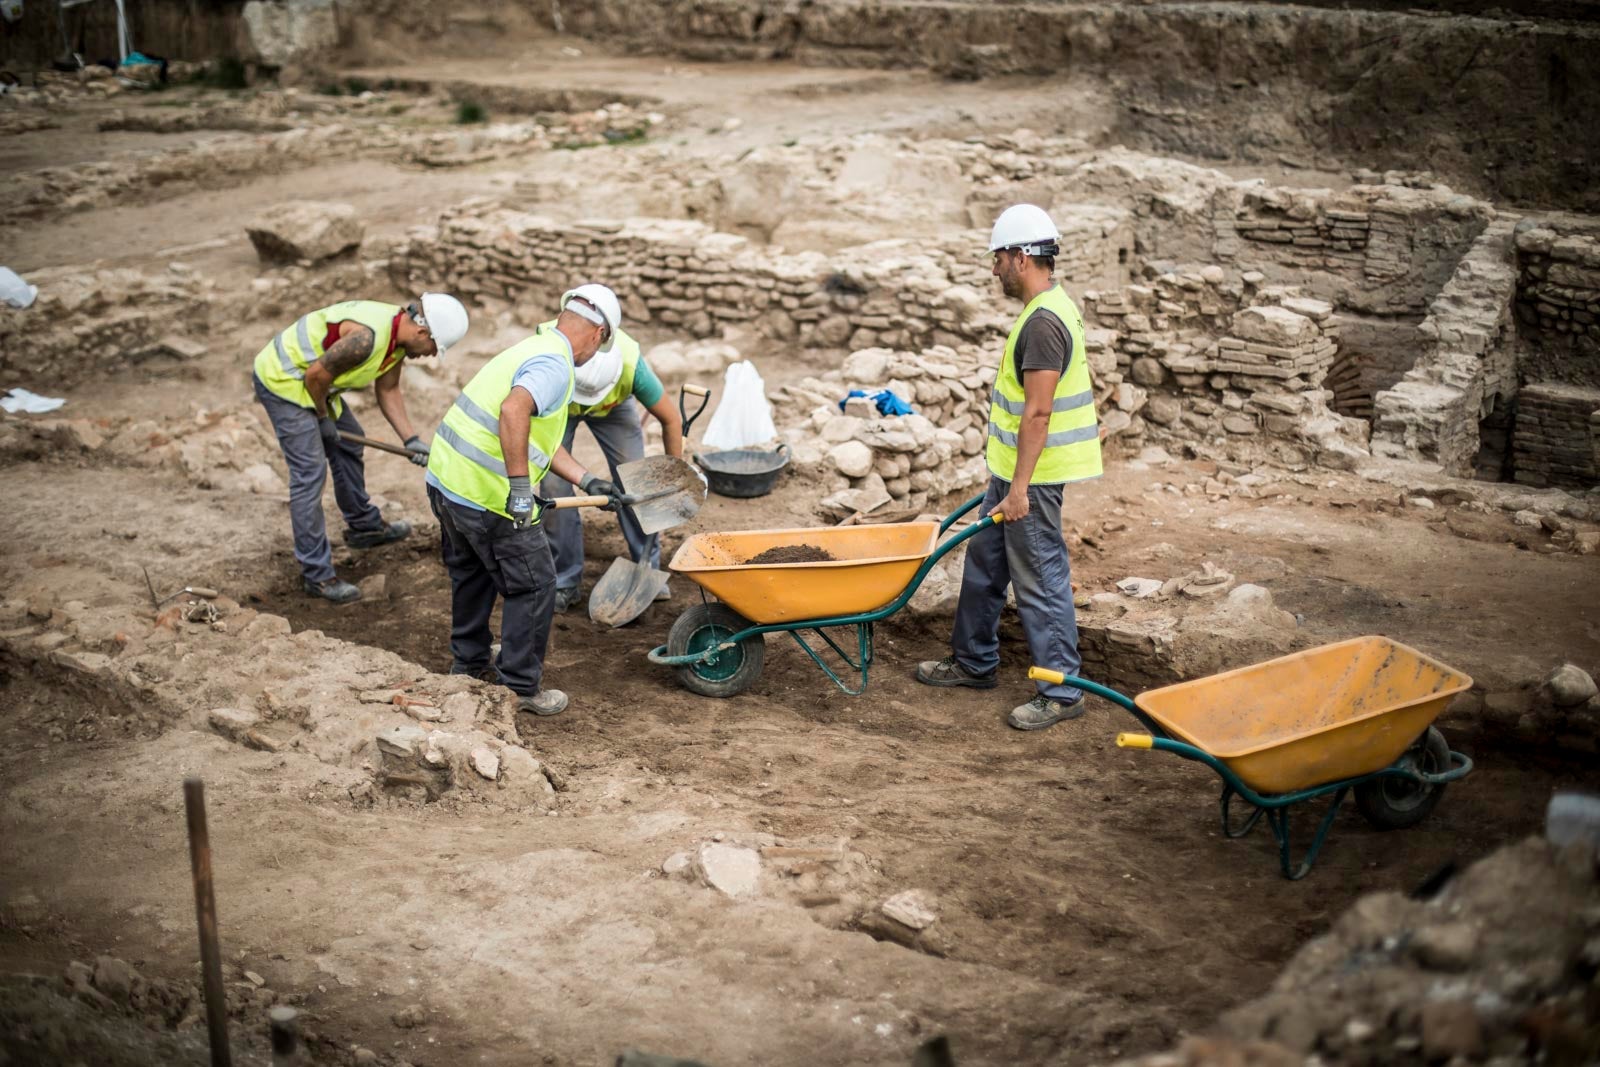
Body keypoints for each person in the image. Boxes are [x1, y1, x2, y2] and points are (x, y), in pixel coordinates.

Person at [915, 204, 1103, 730]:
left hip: (1032, 481)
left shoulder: (1043, 323)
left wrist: (1019, 489)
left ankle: (1061, 691)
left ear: (1021, 258)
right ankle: (974, 662)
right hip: (1011, 473)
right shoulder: (1045, 309)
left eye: (998, 257)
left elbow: (1038, 413)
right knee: (984, 568)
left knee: (1040, 578)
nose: (993, 268)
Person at [424, 285, 627, 717]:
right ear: (597, 334)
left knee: (472, 573)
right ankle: (518, 686)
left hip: (448, 482)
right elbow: (513, 412)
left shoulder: (533, 347)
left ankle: (469, 663)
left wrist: (588, 480)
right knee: (536, 584)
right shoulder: (555, 364)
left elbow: (534, 439)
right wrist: (520, 489)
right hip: (488, 495)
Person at [252, 292, 470, 604]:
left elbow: (388, 388)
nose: (431, 355)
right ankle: (317, 575)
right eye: (434, 348)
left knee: (349, 443)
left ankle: (364, 528)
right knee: (309, 474)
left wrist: (410, 439)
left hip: (316, 385)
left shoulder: (397, 340)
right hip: (284, 380)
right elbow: (316, 376)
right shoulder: (366, 339)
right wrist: (322, 418)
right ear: (422, 332)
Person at [538, 313, 684, 612]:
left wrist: (675, 477)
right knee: (554, 486)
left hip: (615, 409)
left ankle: (647, 568)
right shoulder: (548, 354)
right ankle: (565, 580)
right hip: (560, 406)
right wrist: (587, 480)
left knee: (635, 479)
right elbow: (541, 444)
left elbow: (671, 419)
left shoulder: (632, 366)